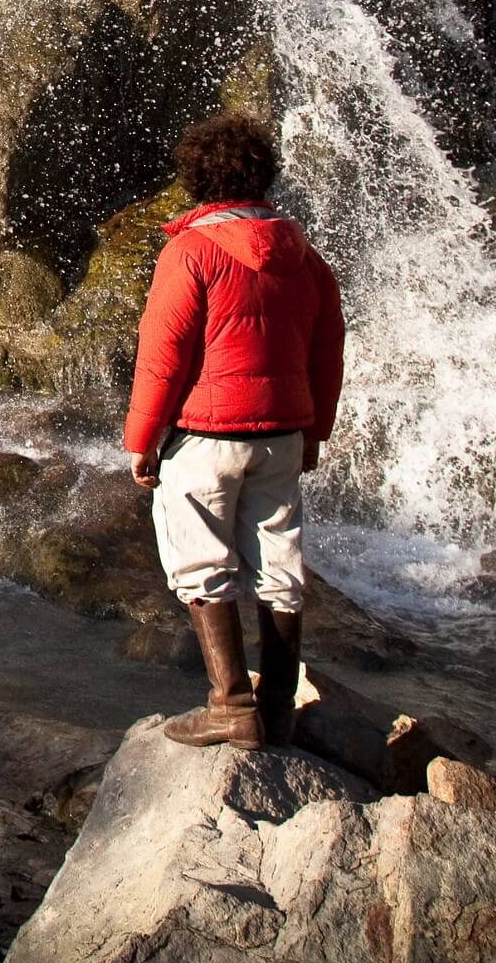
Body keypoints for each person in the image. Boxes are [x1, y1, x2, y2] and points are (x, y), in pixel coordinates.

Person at [124, 112, 345, 748]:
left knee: (201, 563)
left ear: (196, 179)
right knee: (279, 564)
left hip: (204, 434)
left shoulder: (190, 251)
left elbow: (163, 354)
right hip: (281, 434)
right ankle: (277, 707)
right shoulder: (304, 257)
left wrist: (143, 440)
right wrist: (314, 430)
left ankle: (231, 706)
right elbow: (327, 349)